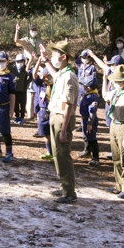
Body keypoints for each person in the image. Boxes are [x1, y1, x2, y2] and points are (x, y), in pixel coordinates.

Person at [39, 41, 80, 204]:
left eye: (55, 54)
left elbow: (69, 104)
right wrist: (45, 60)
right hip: (55, 115)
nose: (52, 56)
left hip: (63, 117)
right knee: (57, 155)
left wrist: (64, 129)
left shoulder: (69, 76)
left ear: (64, 57)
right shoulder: (63, 73)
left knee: (63, 154)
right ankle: (64, 186)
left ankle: (69, 192)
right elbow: (55, 76)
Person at [103, 65, 124, 199]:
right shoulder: (117, 93)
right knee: (116, 158)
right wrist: (104, 78)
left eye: (118, 81)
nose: (116, 83)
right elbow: (105, 95)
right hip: (114, 124)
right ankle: (118, 185)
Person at [32, 63, 53, 161]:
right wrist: (38, 61)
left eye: (49, 76)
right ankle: (49, 152)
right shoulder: (41, 84)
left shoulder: (56, 85)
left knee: (55, 134)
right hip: (43, 112)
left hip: (53, 112)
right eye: (46, 76)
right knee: (45, 134)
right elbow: (34, 74)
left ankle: (56, 155)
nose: (48, 78)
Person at [78, 75, 100, 167]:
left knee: (92, 138)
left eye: (84, 85)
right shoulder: (87, 93)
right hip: (84, 119)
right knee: (85, 136)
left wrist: (89, 123)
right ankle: (87, 151)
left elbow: (92, 112)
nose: (83, 87)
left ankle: (95, 158)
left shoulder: (92, 96)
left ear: (89, 87)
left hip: (90, 120)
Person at [11, 53, 30, 124]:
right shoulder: (12, 68)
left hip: (22, 89)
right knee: (15, 104)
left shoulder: (26, 68)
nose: (20, 63)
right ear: (15, 61)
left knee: (22, 104)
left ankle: (22, 117)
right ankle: (17, 117)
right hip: (14, 89)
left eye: (22, 61)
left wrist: (26, 82)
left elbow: (30, 76)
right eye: (18, 61)